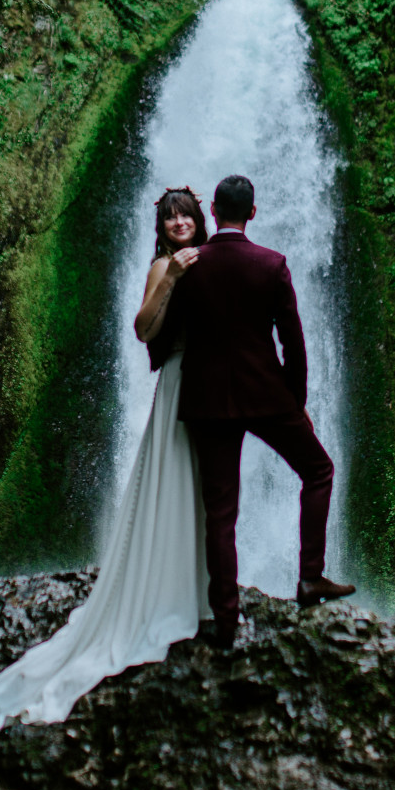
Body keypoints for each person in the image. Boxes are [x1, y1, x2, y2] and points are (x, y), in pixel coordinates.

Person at [0, 187, 210, 728]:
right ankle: (164, 597)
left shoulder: (215, 256)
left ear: (200, 218)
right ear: (164, 225)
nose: (179, 222)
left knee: (206, 489)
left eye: (186, 214)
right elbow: (142, 328)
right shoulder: (162, 266)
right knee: (173, 480)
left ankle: (198, 594)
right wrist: (172, 277)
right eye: (171, 215)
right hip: (180, 381)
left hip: (213, 383)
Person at [156, 172, 353, 649]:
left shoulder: (187, 266)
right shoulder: (272, 264)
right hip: (266, 397)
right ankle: (310, 578)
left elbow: (167, 332)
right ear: (253, 213)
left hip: (207, 402)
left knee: (220, 514)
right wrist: (297, 403)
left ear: (213, 215)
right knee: (319, 471)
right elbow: (294, 343)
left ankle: (225, 621)